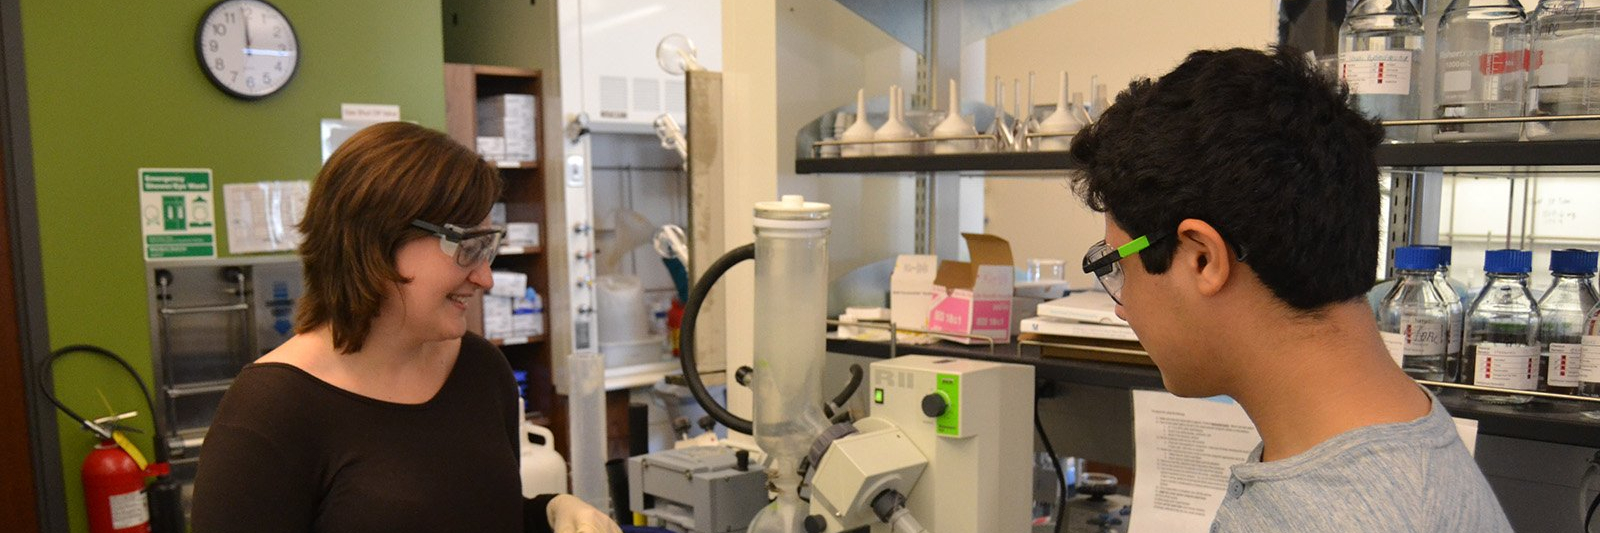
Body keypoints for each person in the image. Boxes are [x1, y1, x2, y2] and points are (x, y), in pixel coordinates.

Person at [1068, 47, 1512, 532]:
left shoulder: (1330, 515)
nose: (1122, 311)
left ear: (1203, 258)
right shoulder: (1404, 437)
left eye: (1120, 268)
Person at [192, 122, 621, 533]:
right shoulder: (270, 411)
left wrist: (550, 512)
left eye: (486, 248)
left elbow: (476, 518)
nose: (485, 278)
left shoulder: (481, 369)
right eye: (467, 248)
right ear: (377, 241)